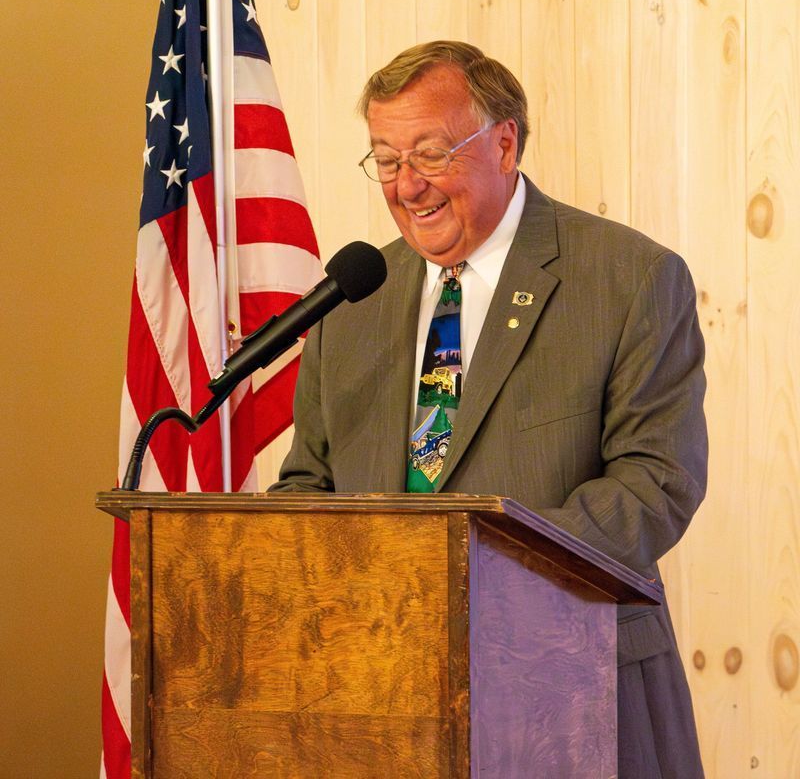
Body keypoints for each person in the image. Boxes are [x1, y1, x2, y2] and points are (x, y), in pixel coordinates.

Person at [271, 40, 707, 777]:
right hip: (380, 706)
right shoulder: (350, 305)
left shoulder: (631, 279)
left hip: (576, 699)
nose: (407, 186)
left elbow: (654, 487)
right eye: (385, 159)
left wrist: (469, 577)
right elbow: (306, 487)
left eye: (431, 154)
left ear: (504, 144)